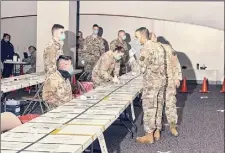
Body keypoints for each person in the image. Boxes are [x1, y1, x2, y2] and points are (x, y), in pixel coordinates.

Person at [135, 27, 166, 144]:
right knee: (158, 106)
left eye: (137, 37)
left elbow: (140, 68)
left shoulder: (146, 48)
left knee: (149, 108)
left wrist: (133, 61)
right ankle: (157, 131)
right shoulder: (159, 46)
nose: (137, 40)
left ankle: (149, 135)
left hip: (151, 83)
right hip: (161, 81)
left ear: (143, 36)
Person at [150, 33, 182, 137]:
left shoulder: (167, 48)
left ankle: (172, 126)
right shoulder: (148, 50)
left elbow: (175, 62)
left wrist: (177, 77)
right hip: (156, 83)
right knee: (157, 106)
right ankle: (157, 129)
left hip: (169, 81)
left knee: (170, 104)